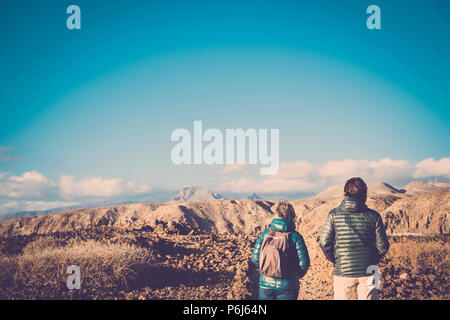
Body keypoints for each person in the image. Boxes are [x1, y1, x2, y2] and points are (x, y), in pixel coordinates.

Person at [319, 177, 390, 300]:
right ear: (364, 194)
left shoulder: (333, 214)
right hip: (369, 271)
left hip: (343, 272)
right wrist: (371, 259)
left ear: (345, 193)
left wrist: (337, 260)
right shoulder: (374, 216)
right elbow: (383, 246)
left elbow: (324, 242)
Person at [251, 201, 310, 300]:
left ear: (277, 214)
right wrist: (295, 275)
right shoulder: (296, 236)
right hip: (288, 286)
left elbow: (255, 258)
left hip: (265, 284)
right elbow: (304, 263)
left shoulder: (265, 234)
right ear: (292, 216)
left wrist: (266, 269)